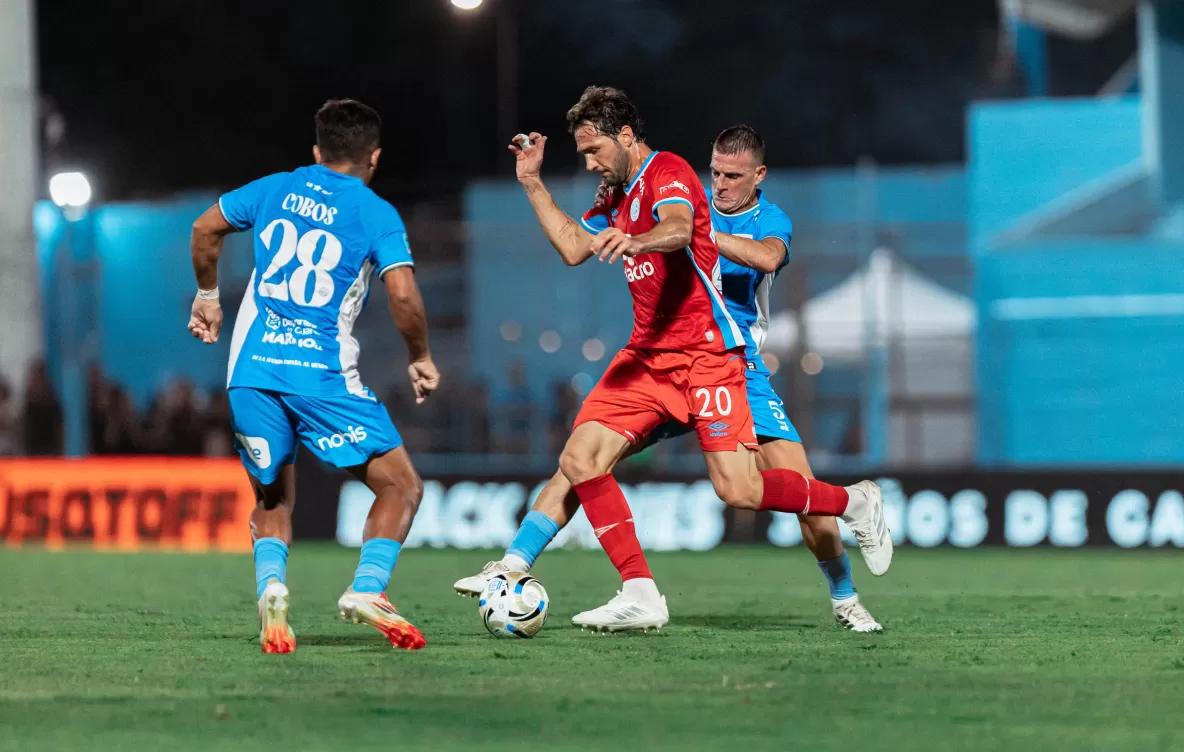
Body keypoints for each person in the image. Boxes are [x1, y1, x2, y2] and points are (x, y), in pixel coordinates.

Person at [464, 86, 891, 633]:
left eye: (594, 151)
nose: (721, 184)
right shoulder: (625, 193)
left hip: (720, 358)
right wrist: (531, 182)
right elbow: (573, 247)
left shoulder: (683, 181)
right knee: (579, 458)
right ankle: (541, 570)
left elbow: (696, 234)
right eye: (717, 174)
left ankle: (849, 556)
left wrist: (650, 239)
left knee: (749, 490)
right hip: (650, 358)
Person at [188, 99, 439, 654]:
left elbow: (205, 229)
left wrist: (208, 296)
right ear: (375, 157)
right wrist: (419, 355)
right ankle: (367, 588)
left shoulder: (275, 188)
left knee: (273, 498)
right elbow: (402, 295)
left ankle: (272, 588)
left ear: (316, 151)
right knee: (401, 486)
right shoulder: (375, 212)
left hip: (250, 374)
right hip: (321, 378)